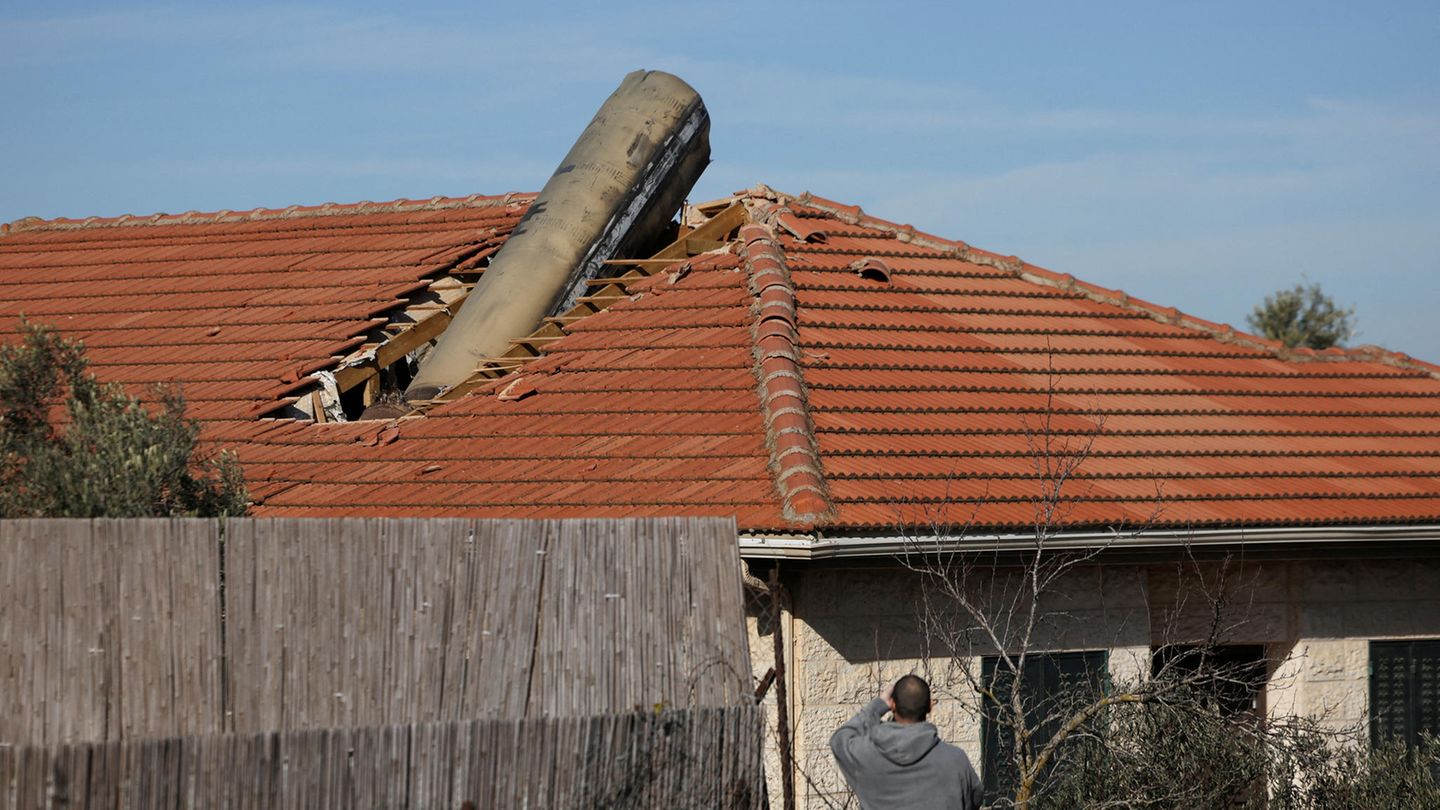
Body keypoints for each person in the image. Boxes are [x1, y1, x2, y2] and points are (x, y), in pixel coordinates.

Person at [830, 674, 983, 810]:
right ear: (930, 706)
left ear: (893, 705)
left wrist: (879, 705)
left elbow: (840, 738)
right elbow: (975, 797)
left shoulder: (865, 755)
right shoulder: (955, 760)